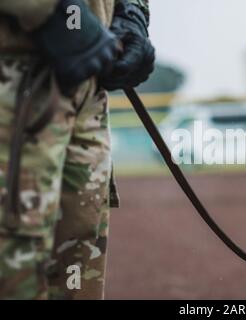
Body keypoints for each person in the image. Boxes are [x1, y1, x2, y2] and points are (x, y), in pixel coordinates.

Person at [0, 0, 155, 299]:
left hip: (87, 79)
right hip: (15, 71)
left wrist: (131, 12)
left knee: (78, 267)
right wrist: (56, 10)